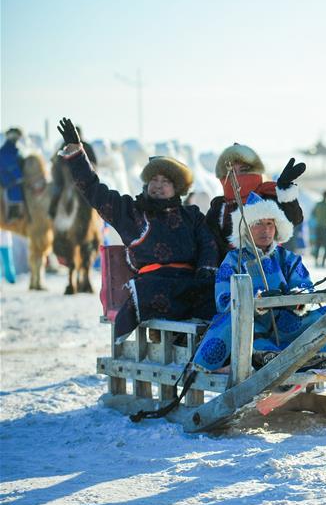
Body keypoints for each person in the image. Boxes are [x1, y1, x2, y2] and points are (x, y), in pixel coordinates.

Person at [57, 118, 218, 342]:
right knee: (156, 295)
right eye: (154, 179)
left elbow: (208, 245)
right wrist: (77, 153)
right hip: (152, 285)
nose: (158, 185)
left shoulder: (191, 216)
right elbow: (95, 191)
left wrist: (205, 273)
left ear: (177, 188)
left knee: (216, 301)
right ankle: (166, 338)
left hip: (189, 284)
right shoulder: (131, 212)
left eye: (165, 181)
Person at [192, 191, 326, 372]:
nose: (265, 230)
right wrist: (256, 302)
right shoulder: (233, 259)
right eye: (258, 224)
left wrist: (299, 298)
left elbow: (305, 285)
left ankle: (313, 356)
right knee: (238, 325)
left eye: (269, 224)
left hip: (287, 322)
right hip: (254, 324)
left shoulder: (287, 258)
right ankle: (268, 357)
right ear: (246, 228)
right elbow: (224, 299)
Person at [206, 143, 305, 263]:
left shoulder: (267, 196)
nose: (237, 176)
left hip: (268, 266)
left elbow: (294, 218)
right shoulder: (219, 206)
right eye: (232, 172)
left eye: (243, 170)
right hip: (228, 269)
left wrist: (285, 191)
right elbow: (209, 239)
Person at [0, 127, 26, 221]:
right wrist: (19, 176)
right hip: (7, 179)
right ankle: (13, 214)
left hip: (15, 178)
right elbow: (10, 164)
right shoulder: (5, 150)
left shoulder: (16, 150)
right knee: (16, 191)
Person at [311, 191, 326, 267]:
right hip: (325, 228)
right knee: (325, 246)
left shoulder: (318, 204)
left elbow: (313, 213)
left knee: (317, 245)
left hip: (318, 227)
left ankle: (316, 262)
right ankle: (323, 263)